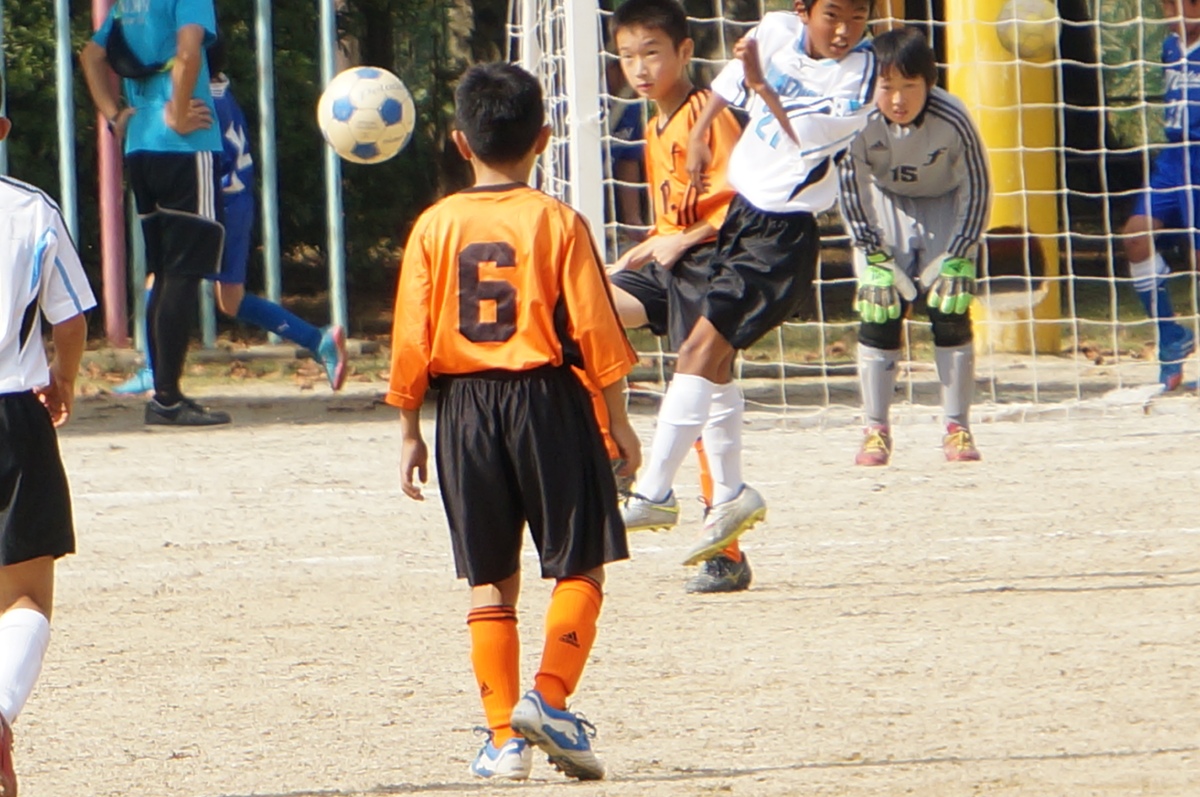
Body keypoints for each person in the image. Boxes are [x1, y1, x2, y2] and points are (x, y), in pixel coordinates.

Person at [387, 63, 640, 782]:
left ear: (460, 142)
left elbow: (410, 336)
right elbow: (595, 329)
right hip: (547, 401)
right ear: (545, 139)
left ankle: (503, 739)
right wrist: (619, 422)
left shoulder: (434, 225)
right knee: (580, 560)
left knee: (490, 579)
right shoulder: (557, 221)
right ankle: (550, 698)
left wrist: (409, 429)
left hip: (464, 411)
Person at [620, 0, 876, 567]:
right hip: (745, 220)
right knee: (711, 364)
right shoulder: (778, 30)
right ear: (803, 10)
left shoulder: (860, 72)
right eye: (833, 15)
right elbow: (729, 82)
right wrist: (703, 132)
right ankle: (729, 495)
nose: (844, 31)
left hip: (783, 237)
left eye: (858, 17)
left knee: (697, 352)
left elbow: (803, 138)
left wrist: (764, 87)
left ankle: (655, 491)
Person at [607, 0, 752, 594]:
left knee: (705, 398)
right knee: (585, 310)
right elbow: (673, 217)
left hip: (711, 265)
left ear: (684, 52)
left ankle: (727, 551)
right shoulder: (652, 125)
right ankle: (614, 450)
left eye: (651, 53)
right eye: (627, 56)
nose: (639, 68)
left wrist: (679, 240)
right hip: (671, 263)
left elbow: (743, 207)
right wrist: (647, 245)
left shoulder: (707, 116)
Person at [114, 40, 348, 396]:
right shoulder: (222, 92)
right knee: (230, 300)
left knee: (160, 279)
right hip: (237, 202)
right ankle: (317, 340)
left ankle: (153, 369)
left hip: (218, 203)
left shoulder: (201, 104)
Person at [0, 80, 96, 797]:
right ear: (2, 129)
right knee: (25, 598)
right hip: (13, 415)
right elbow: (70, 318)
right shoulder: (32, 209)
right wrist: (62, 379)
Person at [837, 26, 992, 465]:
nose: (898, 99)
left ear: (930, 82)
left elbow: (978, 184)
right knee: (879, 308)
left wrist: (960, 253)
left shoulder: (953, 117)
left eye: (910, 86)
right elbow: (849, 187)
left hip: (944, 205)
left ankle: (957, 427)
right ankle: (875, 429)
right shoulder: (856, 117)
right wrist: (872, 254)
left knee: (950, 308)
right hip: (885, 207)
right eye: (887, 86)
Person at [80, 0, 232, 426]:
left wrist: (114, 115)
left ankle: (164, 392)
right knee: (183, 273)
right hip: (184, 147)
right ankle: (166, 398)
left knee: (164, 271)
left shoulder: (129, 3)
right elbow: (188, 49)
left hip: (140, 143)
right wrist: (180, 113)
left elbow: (91, 55)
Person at [1121, 0, 1200, 391]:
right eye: (1166, 7)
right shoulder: (1170, 46)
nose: (1170, 16)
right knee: (1135, 236)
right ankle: (1171, 337)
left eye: (1177, 6)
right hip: (1172, 159)